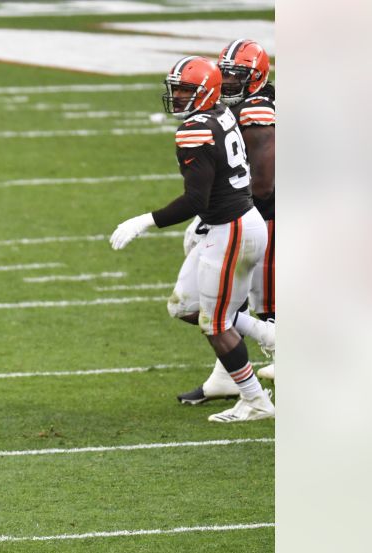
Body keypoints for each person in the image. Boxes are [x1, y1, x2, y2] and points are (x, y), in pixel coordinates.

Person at [109, 56, 275, 423]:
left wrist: (145, 220)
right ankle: (267, 334)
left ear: (206, 92)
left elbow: (195, 201)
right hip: (231, 224)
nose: (178, 96)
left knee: (214, 324)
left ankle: (255, 400)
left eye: (186, 90)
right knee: (184, 306)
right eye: (177, 89)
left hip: (232, 229)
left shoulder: (195, 130)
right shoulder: (222, 113)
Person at [177, 39, 277, 404]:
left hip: (263, 215)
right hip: (249, 213)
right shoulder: (247, 106)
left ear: (256, 77)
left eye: (239, 76)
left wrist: (218, 214)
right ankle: (227, 377)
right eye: (227, 75)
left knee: (247, 304)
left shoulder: (256, 112)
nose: (230, 83)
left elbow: (263, 185)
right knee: (223, 303)